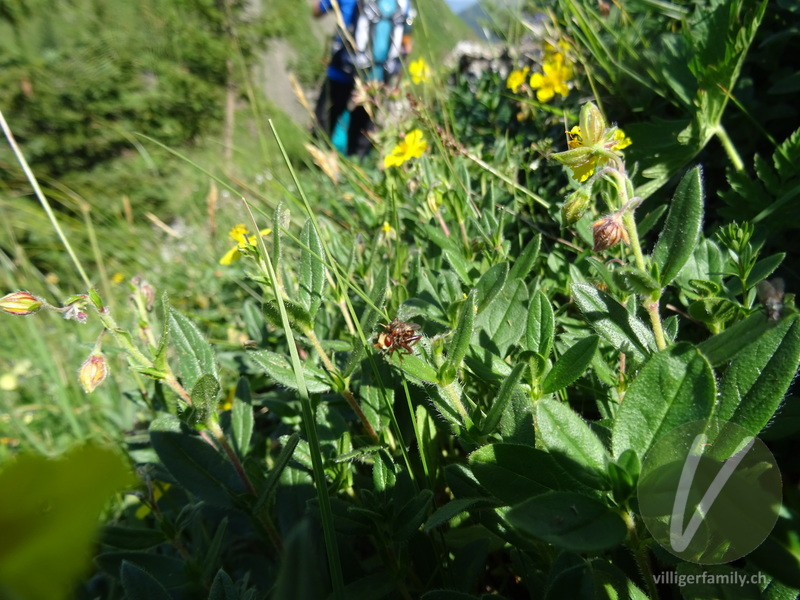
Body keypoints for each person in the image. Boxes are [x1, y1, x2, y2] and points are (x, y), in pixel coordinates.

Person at [312, 0, 411, 158]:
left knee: (323, 129)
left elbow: (317, 11)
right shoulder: (403, 3)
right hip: (375, 81)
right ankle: (354, 173)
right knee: (360, 139)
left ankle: (317, 171)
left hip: (341, 72)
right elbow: (406, 45)